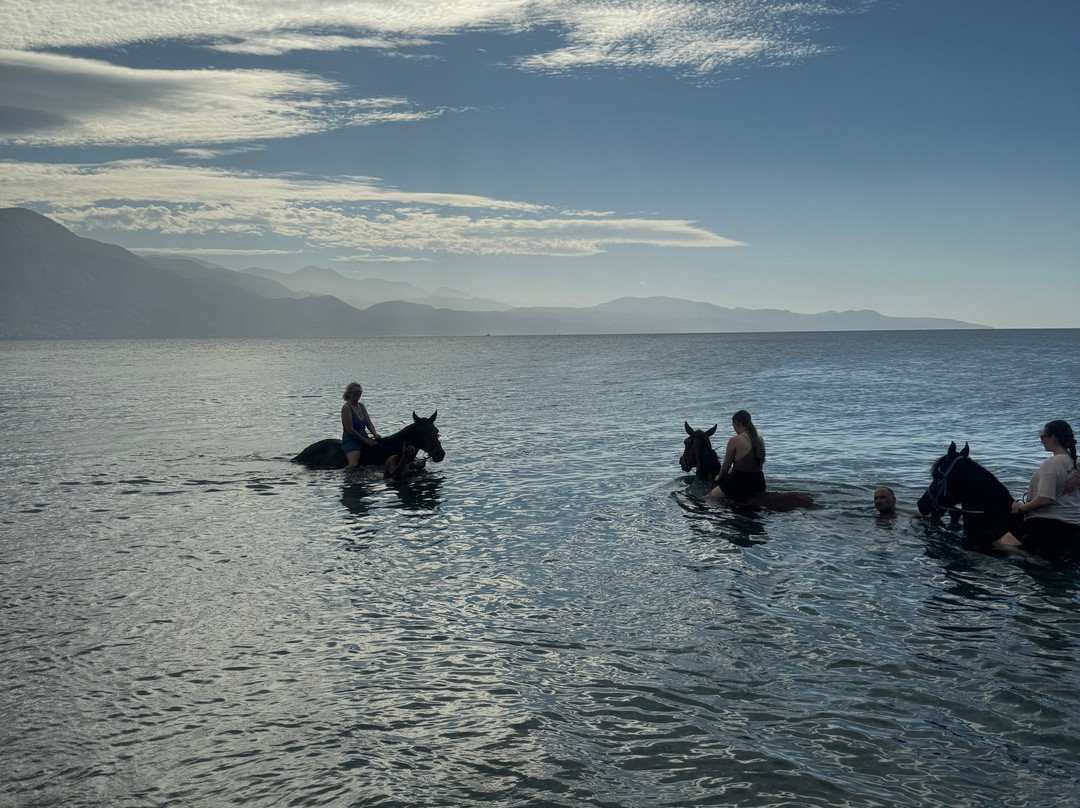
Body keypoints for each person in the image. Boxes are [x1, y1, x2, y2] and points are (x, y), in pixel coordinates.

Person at [997, 420, 1080, 556]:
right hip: (1074, 522)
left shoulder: (1052, 463)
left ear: (1053, 438)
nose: (1041, 440)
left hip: (1049, 523)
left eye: (1042, 436)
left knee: (1003, 543)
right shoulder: (1076, 462)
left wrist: (1020, 508)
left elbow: (1045, 499)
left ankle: (1036, 562)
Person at [708, 409, 766, 502]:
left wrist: (719, 477)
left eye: (733, 425)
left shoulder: (735, 440)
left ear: (737, 423)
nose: (734, 428)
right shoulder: (760, 439)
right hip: (760, 482)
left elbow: (725, 466)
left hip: (740, 483)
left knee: (709, 498)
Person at [341, 381, 381, 468]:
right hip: (352, 439)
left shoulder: (361, 406)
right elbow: (350, 429)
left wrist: (375, 434)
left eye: (360, 392)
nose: (358, 394)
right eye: (355, 392)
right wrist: (365, 440)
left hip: (364, 436)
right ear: (349, 394)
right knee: (353, 464)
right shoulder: (346, 408)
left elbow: (369, 423)